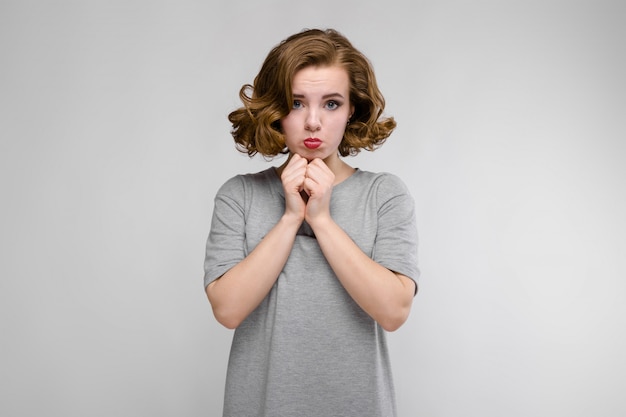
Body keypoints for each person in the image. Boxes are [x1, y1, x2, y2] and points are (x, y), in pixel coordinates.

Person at [203, 28, 419, 417]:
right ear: (275, 109)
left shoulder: (385, 194)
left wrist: (322, 219)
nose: (314, 122)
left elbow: (393, 311)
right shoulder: (239, 196)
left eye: (332, 103)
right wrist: (290, 218)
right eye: (297, 103)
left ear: (352, 108)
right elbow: (227, 310)